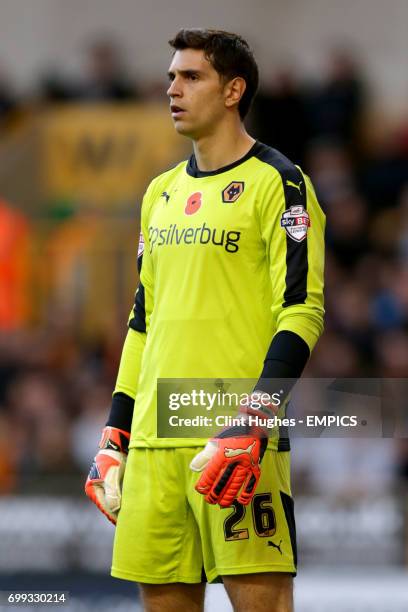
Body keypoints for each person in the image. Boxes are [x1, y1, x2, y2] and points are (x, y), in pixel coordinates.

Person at [85, 29, 325, 612]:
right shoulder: (159, 192)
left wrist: (255, 420)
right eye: (171, 77)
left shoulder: (279, 182)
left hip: (235, 440)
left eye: (191, 77)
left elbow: (303, 311)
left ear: (232, 90)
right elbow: (142, 322)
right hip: (153, 444)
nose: (173, 88)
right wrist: (117, 433)